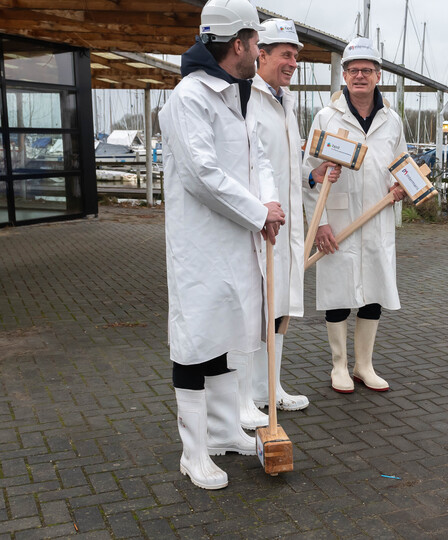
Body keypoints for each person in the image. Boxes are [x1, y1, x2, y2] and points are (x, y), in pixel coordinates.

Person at [159, 0, 285, 490]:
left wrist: (269, 207)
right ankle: (193, 452)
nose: (260, 51)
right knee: (196, 342)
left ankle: (223, 432)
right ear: (239, 44)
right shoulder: (189, 97)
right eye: (257, 42)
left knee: (230, 337)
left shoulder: (240, 93)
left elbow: (262, 162)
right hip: (203, 246)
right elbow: (200, 175)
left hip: (241, 242)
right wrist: (258, 212)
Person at [229, 19, 342, 427]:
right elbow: (243, 165)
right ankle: (243, 397)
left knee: (280, 309)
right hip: (257, 224)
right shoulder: (246, 97)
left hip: (286, 224)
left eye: (296, 55)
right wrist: (259, 210)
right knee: (254, 310)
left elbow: (286, 165)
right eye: (285, 54)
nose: (293, 62)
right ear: (262, 55)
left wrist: (312, 176)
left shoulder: (286, 101)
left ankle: (268, 388)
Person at [301, 37, 406, 394]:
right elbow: (310, 173)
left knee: (373, 291)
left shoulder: (392, 120)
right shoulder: (327, 117)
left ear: (378, 75)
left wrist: (401, 187)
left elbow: (400, 165)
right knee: (338, 294)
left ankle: (364, 365)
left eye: (367, 70)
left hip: (376, 217)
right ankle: (339, 366)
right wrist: (321, 224)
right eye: (353, 70)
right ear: (344, 75)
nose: (360, 76)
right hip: (339, 220)